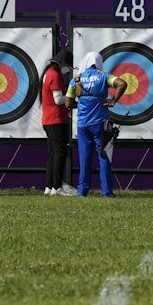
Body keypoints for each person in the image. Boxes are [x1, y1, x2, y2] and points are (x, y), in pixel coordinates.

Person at [69, 51, 124, 199]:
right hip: (101, 124)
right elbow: (122, 84)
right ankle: (106, 192)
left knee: (84, 159)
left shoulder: (77, 79)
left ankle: (82, 191)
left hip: (82, 125)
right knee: (104, 157)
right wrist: (113, 100)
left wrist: (83, 103)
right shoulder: (104, 76)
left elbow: (68, 102)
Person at [41, 47, 73, 197]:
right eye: (68, 66)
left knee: (53, 153)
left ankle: (49, 187)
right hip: (56, 120)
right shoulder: (54, 75)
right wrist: (72, 98)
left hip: (50, 119)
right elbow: (58, 99)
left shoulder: (49, 73)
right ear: (62, 64)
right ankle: (57, 187)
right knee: (60, 153)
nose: (68, 70)